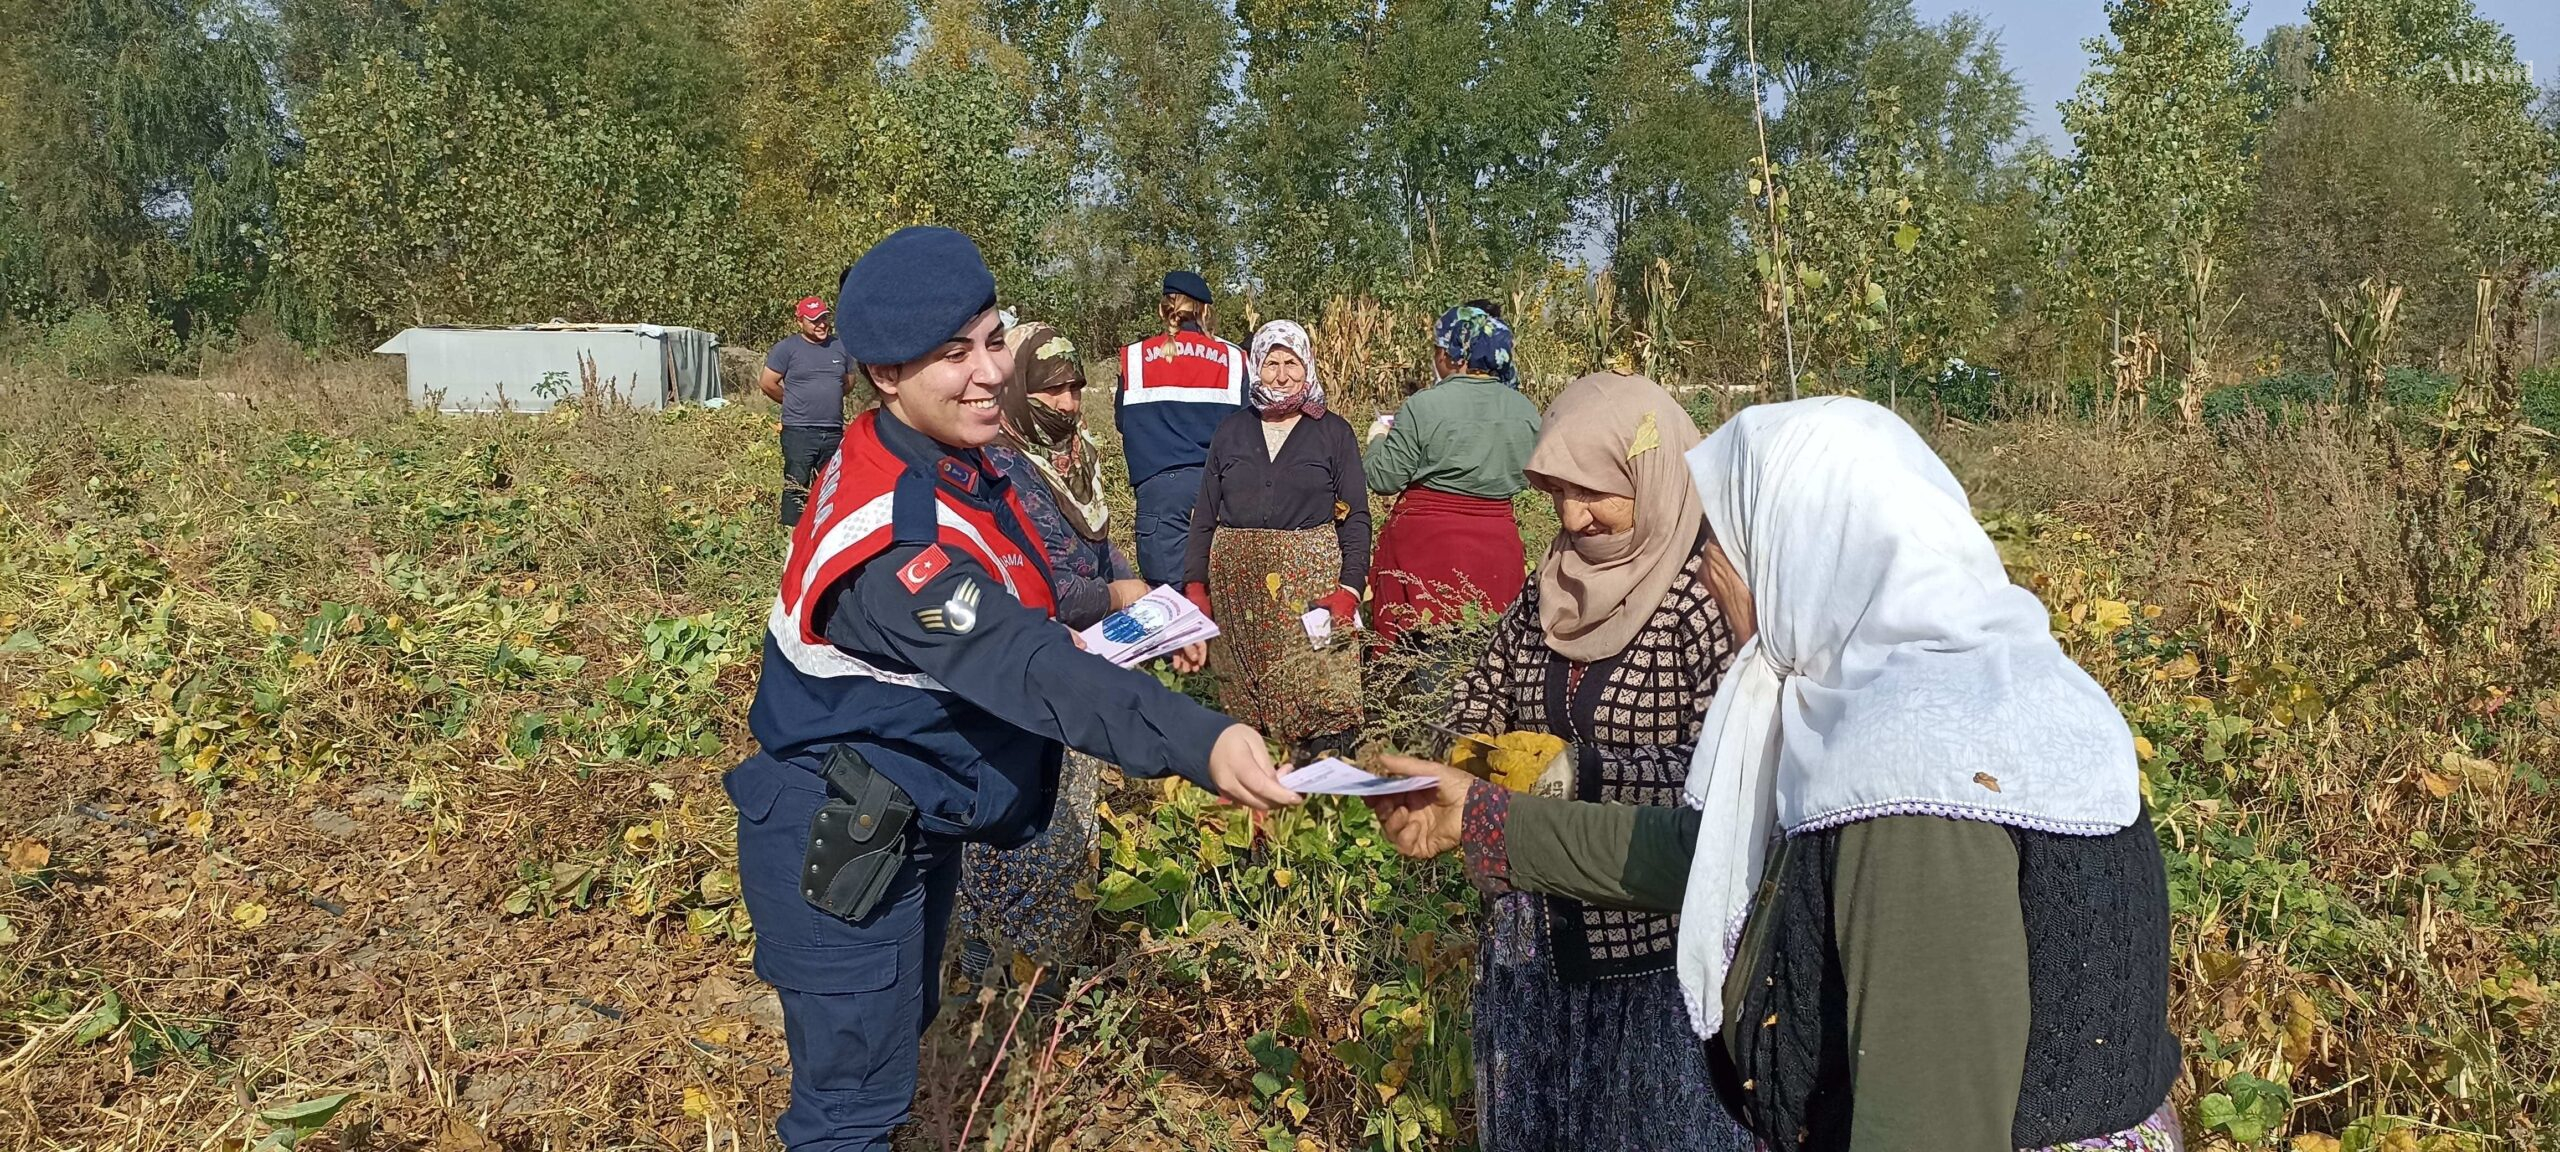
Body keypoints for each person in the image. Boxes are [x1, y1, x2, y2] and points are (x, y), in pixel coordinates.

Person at [1368, 396, 2182, 1152]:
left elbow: (1927, 1120)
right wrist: (1484, 818)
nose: (1714, 581)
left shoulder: (1914, 779)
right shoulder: (1996, 687)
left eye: (1726, 550)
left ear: (1808, 560)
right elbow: (1723, 858)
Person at [729, 227, 1300, 1152]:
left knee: (894, 1050)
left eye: (993, 339)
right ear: (883, 374)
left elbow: (1011, 586)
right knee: (848, 1115)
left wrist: (1115, 597)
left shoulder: (941, 455)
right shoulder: (896, 548)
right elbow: (1019, 659)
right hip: (839, 830)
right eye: (953, 356)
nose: (989, 372)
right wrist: (1201, 741)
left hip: (907, 812)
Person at [1434, 373, 1752, 1152]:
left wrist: (1584, 774)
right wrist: (1470, 757)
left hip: (1649, 950)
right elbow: (1481, 692)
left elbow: (1729, 768)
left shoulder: (1706, 600)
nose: (1575, 518)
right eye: (1560, 495)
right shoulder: (1548, 587)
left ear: (1652, 481)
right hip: (1530, 931)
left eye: (1597, 496)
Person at [953, 321, 1207, 989]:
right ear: (1014, 393)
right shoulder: (1001, 471)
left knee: (1067, 811)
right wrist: (1120, 595)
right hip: (1022, 666)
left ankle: (1047, 964)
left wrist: (1141, 599)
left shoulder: (1076, 457)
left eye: (1075, 388)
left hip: (1080, 660)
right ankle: (987, 957)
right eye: (1051, 391)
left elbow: (1101, 545)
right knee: (1014, 814)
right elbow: (1039, 583)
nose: (1068, 404)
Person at [1182, 319, 1370, 756]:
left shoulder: (1333, 432)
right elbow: (1205, 514)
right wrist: (1195, 585)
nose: (1281, 375)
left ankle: (1321, 796)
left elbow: (1356, 515)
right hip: (1239, 594)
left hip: (1312, 590)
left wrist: (1350, 588)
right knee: (1241, 701)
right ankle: (1253, 796)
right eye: (1271, 363)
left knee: (1320, 690)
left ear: (1308, 367)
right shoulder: (1231, 430)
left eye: (1292, 363)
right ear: (1255, 367)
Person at [1364, 304, 1543, 650]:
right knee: (1486, 659)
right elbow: (1531, 478)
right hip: (1497, 552)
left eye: (1437, 348)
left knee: (1429, 662)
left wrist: (1376, 441)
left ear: (1452, 353)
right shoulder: (1524, 410)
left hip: (1426, 555)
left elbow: (1384, 478)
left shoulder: (1424, 405)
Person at [1114, 270, 1247, 584]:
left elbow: (1123, 422)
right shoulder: (1234, 359)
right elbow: (1247, 429)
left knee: (1169, 605)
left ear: (1163, 309)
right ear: (1205, 311)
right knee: (1223, 597)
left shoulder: (1134, 358)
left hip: (1160, 495)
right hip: (1220, 490)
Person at [760, 295, 858, 525]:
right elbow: (767, 382)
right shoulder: (786, 349)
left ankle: (824, 530)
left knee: (830, 485)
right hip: (799, 431)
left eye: (824, 318)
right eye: (814, 320)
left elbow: (848, 383)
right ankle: (791, 532)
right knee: (797, 482)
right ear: (800, 321)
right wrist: (794, 402)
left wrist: (826, 398)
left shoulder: (841, 348)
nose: (821, 324)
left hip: (832, 431)